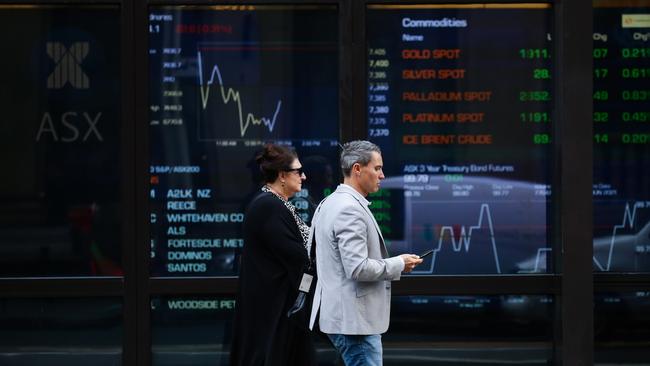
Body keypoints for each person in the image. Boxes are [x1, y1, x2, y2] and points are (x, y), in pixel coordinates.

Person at [309, 140, 423, 366]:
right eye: (377, 168)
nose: (382, 175)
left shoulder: (329, 203)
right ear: (357, 169)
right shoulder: (349, 209)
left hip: (346, 321)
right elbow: (358, 268)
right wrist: (399, 263)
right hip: (355, 325)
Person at [230, 144, 316, 366]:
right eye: (298, 171)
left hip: (278, 308)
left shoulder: (276, 204)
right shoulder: (269, 206)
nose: (304, 176)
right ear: (282, 175)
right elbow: (299, 257)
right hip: (273, 310)